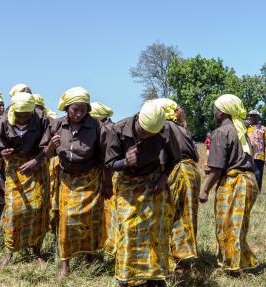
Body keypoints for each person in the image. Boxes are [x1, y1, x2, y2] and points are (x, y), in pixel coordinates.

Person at [105, 100, 181, 286]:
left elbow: (175, 157)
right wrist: (125, 162)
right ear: (138, 118)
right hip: (127, 185)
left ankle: (154, 275)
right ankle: (128, 277)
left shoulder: (164, 131)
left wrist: (163, 178)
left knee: (155, 231)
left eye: (150, 134)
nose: (146, 136)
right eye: (143, 131)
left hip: (152, 183)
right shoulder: (117, 129)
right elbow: (108, 163)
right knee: (129, 230)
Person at [41, 87, 112, 277]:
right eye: (75, 109)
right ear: (67, 108)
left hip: (90, 178)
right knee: (67, 219)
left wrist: (107, 184)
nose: (79, 114)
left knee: (90, 220)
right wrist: (51, 146)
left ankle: (90, 258)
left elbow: (105, 158)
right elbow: (46, 154)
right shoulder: (56, 125)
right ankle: (65, 264)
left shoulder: (97, 127)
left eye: (83, 110)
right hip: (67, 180)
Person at [199, 94, 259, 272]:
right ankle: (244, 262)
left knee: (227, 225)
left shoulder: (221, 132)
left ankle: (232, 265)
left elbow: (217, 169)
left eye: (216, 110)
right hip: (249, 182)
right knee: (240, 225)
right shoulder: (241, 132)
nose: (214, 113)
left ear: (223, 112)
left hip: (234, 184)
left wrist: (205, 190)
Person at [0, 92, 50, 268]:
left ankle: (37, 252)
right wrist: (3, 151)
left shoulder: (42, 118)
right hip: (14, 167)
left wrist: (34, 162)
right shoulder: (4, 120)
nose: (22, 119)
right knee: (13, 211)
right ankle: (9, 252)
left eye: (26, 115)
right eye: (19, 116)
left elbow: (48, 147)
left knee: (37, 209)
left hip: (37, 165)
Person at [155, 98, 201, 267]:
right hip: (191, 171)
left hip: (175, 172)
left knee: (169, 214)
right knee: (187, 215)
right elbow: (196, 156)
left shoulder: (164, 127)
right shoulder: (183, 129)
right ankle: (185, 257)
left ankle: (172, 260)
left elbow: (161, 158)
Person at [89, 101, 116, 255]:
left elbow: (107, 161)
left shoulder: (106, 130)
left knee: (108, 212)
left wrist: (107, 183)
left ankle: (108, 247)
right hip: (106, 175)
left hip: (109, 177)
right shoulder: (110, 127)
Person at [247, 109, 266, 192]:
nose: (252, 117)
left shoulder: (263, 129)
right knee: (248, 174)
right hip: (247, 156)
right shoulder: (246, 128)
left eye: (254, 115)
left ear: (258, 117)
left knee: (258, 175)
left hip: (259, 156)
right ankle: (249, 191)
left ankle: (257, 192)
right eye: (251, 116)